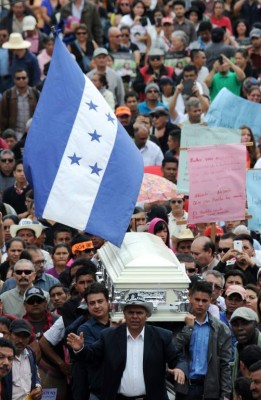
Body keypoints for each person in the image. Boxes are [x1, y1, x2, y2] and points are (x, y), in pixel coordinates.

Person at [67, 295, 188, 400]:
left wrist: (180, 368)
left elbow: (178, 358)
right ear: (124, 314)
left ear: (147, 315)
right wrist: (80, 348)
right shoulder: (109, 336)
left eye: (139, 312)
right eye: (130, 312)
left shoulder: (162, 336)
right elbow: (91, 356)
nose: (135, 316)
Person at [175, 280, 232, 400]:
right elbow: (173, 349)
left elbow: (225, 365)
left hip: (209, 389)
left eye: (204, 300)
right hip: (184, 387)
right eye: (197, 299)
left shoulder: (221, 329)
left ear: (211, 300)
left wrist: (225, 395)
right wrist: (188, 328)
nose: (200, 304)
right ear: (189, 297)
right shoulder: (179, 323)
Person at [6, 319, 42, 400]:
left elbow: (35, 373)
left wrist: (38, 386)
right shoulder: (3, 357)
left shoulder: (31, 354)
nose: (20, 340)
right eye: (17, 335)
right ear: (9, 335)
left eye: (24, 337)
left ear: (29, 338)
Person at [0, 69, 39, 137]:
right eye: (18, 78)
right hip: (13, 137)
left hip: (32, 135)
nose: (21, 80)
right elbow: (2, 118)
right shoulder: (7, 95)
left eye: (23, 78)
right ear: (14, 80)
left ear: (27, 79)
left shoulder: (36, 94)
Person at [230, 307, 261, 384]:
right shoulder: (238, 347)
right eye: (235, 324)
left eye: (245, 323)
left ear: (256, 325)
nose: (240, 328)